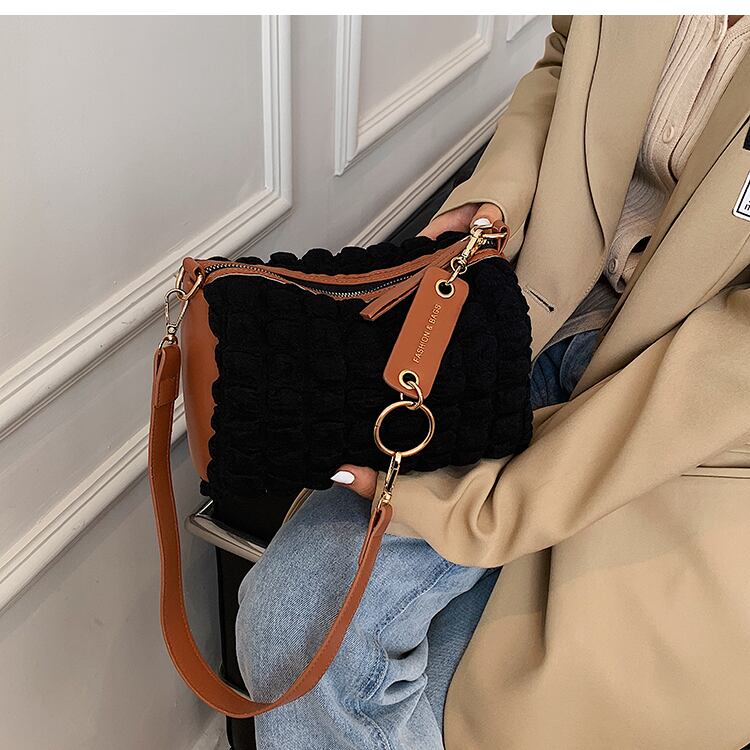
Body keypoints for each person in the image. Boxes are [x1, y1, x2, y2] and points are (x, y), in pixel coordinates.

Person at [236, 15, 750, 749]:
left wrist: (480, 506)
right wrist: (499, 191)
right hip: (532, 308)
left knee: (506, 706)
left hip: (695, 425)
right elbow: (568, 59)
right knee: (291, 626)